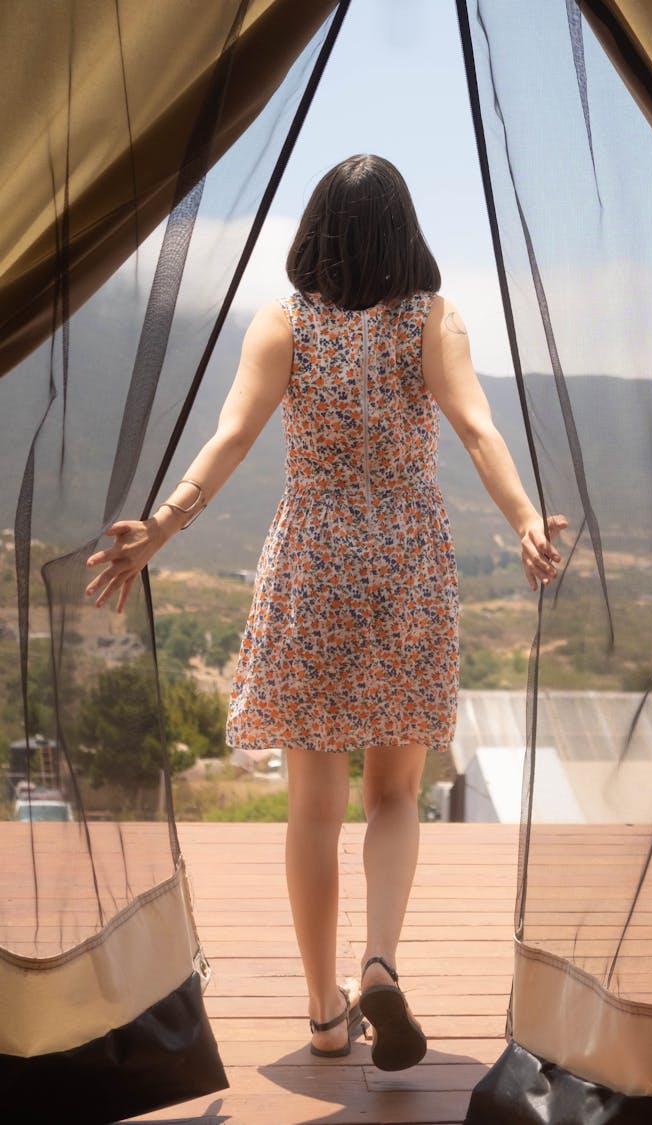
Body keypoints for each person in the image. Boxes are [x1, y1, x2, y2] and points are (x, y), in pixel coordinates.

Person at [85, 154, 566, 1070]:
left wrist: (160, 528)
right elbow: (475, 428)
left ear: (316, 231)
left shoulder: (285, 323)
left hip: (312, 568)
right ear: (405, 232)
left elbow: (229, 438)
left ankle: (322, 1012)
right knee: (395, 794)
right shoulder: (433, 320)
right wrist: (523, 518)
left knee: (314, 807)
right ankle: (380, 961)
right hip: (407, 568)